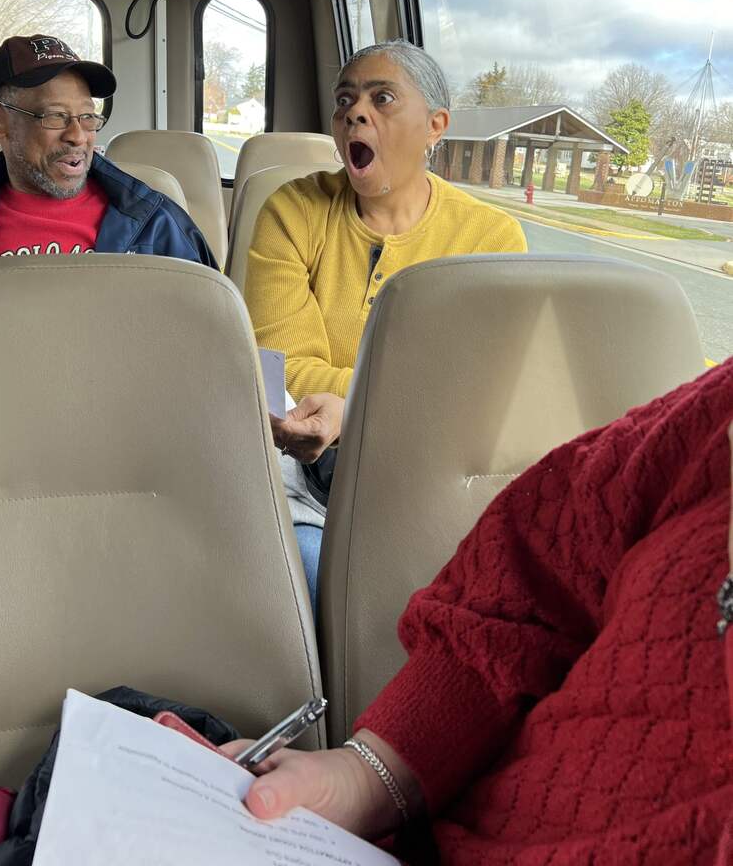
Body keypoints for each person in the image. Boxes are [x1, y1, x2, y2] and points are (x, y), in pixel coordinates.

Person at [223, 358, 733, 863]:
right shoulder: (710, 417)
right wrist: (373, 775)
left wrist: (359, 397)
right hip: (316, 472)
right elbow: (540, 562)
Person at [244, 40, 526, 603]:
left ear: (435, 126)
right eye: (345, 99)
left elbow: (477, 393)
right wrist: (402, 397)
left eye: (383, 97)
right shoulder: (290, 211)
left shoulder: (491, 239)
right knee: (333, 593)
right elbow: (287, 369)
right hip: (303, 475)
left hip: (436, 477)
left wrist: (354, 409)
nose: (355, 111)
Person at [0, 34, 215, 345]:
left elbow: (211, 334)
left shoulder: (156, 222)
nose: (78, 136)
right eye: (55, 117)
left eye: (87, 117)